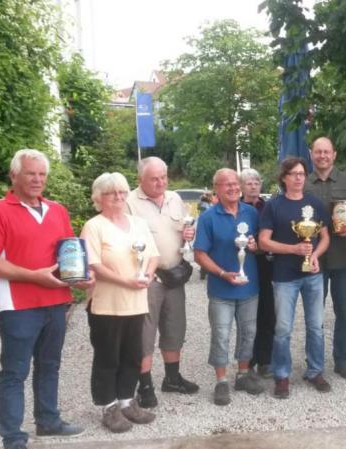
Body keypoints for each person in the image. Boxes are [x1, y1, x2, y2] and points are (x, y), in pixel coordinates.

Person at [0, 149, 92, 449]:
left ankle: (48, 421)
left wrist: (79, 277)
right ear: (14, 176)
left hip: (56, 301)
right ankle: (12, 439)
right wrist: (33, 276)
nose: (37, 179)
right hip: (17, 307)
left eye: (42, 174)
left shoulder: (58, 210)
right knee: (14, 372)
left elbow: (67, 258)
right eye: (30, 173)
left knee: (50, 365)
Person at [81, 172, 159, 432]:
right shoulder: (94, 226)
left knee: (133, 355)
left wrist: (148, 273)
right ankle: (108, 406)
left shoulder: (138, 223)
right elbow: (93, 263)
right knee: (108, 357)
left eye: (123, 191)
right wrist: (125, 281)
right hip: (107, 304)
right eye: (111, 192)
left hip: (136, 302)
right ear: (98, 197)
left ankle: (127, 401)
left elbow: (153, 254)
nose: (118, 196)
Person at [125, 157, 198, 409]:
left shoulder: (174, 198)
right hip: (148, 278)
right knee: (145, 333)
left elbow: (184, 228)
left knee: (174, 327)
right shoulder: (129, 202)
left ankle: (172, 377)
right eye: (154, 178)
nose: (160, 183)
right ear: (140, 179)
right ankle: (144, 385)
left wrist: (189, 234)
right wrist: (146, 271)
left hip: (175, 274)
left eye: (164, 177)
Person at [258, 157, 331, 399]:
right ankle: (281, 375)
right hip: (285, 275)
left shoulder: (315, 204)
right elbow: (263, 241)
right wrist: (293, 250)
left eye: (302, 173)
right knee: (283, 328)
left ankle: (315, 371)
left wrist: (316, 255)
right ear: (284, 178)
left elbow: (325, 238)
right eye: (294, 174)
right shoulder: (274, 206)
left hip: (313, 274)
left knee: (316, 326)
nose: (299, 178)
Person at [194, 168, 265, 406]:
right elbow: (199, 254)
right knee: (221, 334)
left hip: (249, 285)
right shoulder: (208, 217)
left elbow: (258, 245)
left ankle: (243, 374)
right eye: (227, 184)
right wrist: (222, 273)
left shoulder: (251, 213)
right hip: (221, 288)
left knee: (249, 332)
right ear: (217, 189)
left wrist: (254, 246)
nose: (233, 188)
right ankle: (221, 380)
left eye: (236, 183)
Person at [304, 136, 346, 378]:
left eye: (326, 152)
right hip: (312, 260)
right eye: (318, 152)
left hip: (344, 259)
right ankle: (315, 361)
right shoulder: (303, 182)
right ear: (311, 154)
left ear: (334, 154)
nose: (322, 156)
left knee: (344, 312)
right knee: (314, 315)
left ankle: (342, 360)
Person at [240, 168, 276, 378]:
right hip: (244, 264)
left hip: (265, 264)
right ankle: (248, 361)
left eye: (256, 182)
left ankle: (265, 359)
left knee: (267, 313)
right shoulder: (237, 208)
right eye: (248, 183)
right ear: (242, 187)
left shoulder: (269, 207)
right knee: (247, 316)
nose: (253, 186)